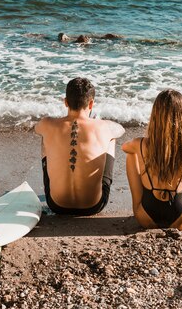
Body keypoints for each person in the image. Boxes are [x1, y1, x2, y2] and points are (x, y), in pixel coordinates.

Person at [35, 77, 125, 215]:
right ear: (91, 104)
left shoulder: (48, 124)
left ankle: (59, 185)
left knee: (45, 137)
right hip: (94, 206)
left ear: (65, 102)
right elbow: (121, 130)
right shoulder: (103, 127)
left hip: (56, 204)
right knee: (111, 138)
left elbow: (37, 129)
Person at [122, 89, 182, 230]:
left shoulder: (141, 143)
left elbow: (125, 147)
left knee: (131, 153)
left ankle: (137, 202)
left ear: (155, 115)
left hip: (145, 217)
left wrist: (157, 151)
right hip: (181, 218)